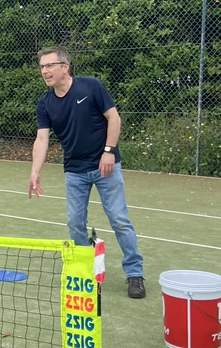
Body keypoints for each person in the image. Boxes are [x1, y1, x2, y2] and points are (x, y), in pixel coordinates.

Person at [28, 47, 146, 299]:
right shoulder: (45, 104)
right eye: (42, 67)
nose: (45, 71)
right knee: (74, 223)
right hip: (75, 172)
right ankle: (85, 270)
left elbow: (114, 118)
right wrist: (35, 172)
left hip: (106, 167)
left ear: (65, 67)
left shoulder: (91, 87)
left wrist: (109, 151)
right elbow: (41, 139)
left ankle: (134, 273)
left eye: (50, 65)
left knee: (119, 220)